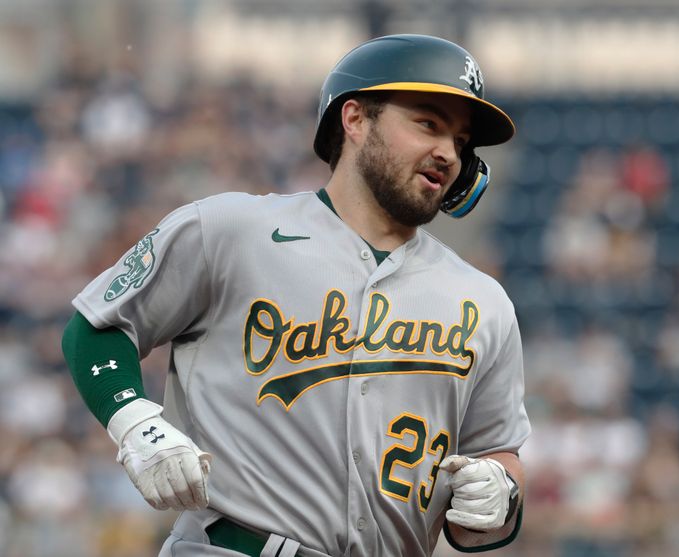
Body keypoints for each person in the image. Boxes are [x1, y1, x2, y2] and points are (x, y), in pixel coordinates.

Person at [62, 33, 530, 557]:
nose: (447, 152)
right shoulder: (232, 230)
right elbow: (97, 324)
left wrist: (501, 494)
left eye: (461, 142)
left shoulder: (483, 300)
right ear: (354, 119)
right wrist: (134, 423)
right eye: (428, 123)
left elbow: (496, 455)